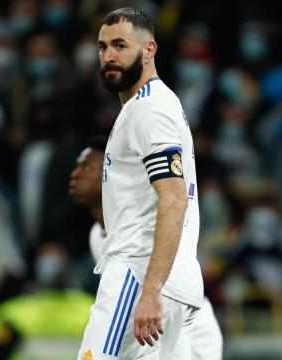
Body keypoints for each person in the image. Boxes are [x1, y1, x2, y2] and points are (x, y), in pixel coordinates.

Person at [77, 8, 204, 359]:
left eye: (120, 45)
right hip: (170, 280)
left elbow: (174, 200)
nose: (109, 56)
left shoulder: (149, 111)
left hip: (138, 276)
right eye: (102, 47)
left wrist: (150, 290)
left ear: (149, 50)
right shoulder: (155, 106)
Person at [70, 137, 223, 359]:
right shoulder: (97, 237)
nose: (76, 173)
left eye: (87, 167)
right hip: (149, 326)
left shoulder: (146, 227)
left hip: (191, 329)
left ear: (113, 176)